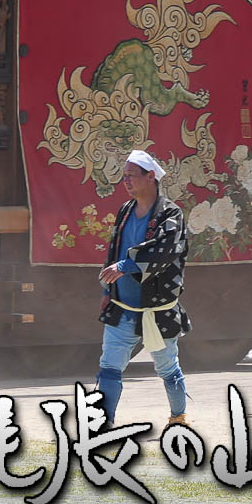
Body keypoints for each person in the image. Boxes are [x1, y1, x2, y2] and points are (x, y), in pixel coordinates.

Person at [95, 150, 191, 426]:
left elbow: (165, 250)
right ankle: (105, 423)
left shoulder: (170, 214)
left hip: (157, 308)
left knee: (167, 368)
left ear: (150, 177)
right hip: (123, 305)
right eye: (124, 176)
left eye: (131, 175)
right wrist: (107, 291)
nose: (126, 181)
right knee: (109, 366)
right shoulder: (125, 211)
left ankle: (178, 418)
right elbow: (114, 251)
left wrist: (125, 266)